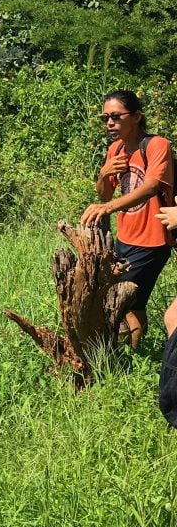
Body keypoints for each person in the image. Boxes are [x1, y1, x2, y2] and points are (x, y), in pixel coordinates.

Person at [80, 90, 173, 348]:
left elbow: (152, 186)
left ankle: (120, 358)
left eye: (116, 117)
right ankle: (137, 353)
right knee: (135, 301)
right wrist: (104, 173)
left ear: (136, 117)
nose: (109, 123)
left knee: (120, 297)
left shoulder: (156, 145)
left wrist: (108, 207)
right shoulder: (115, 149)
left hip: (154, 239)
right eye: (105, 118)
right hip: (126, 236)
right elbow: (104, 191)